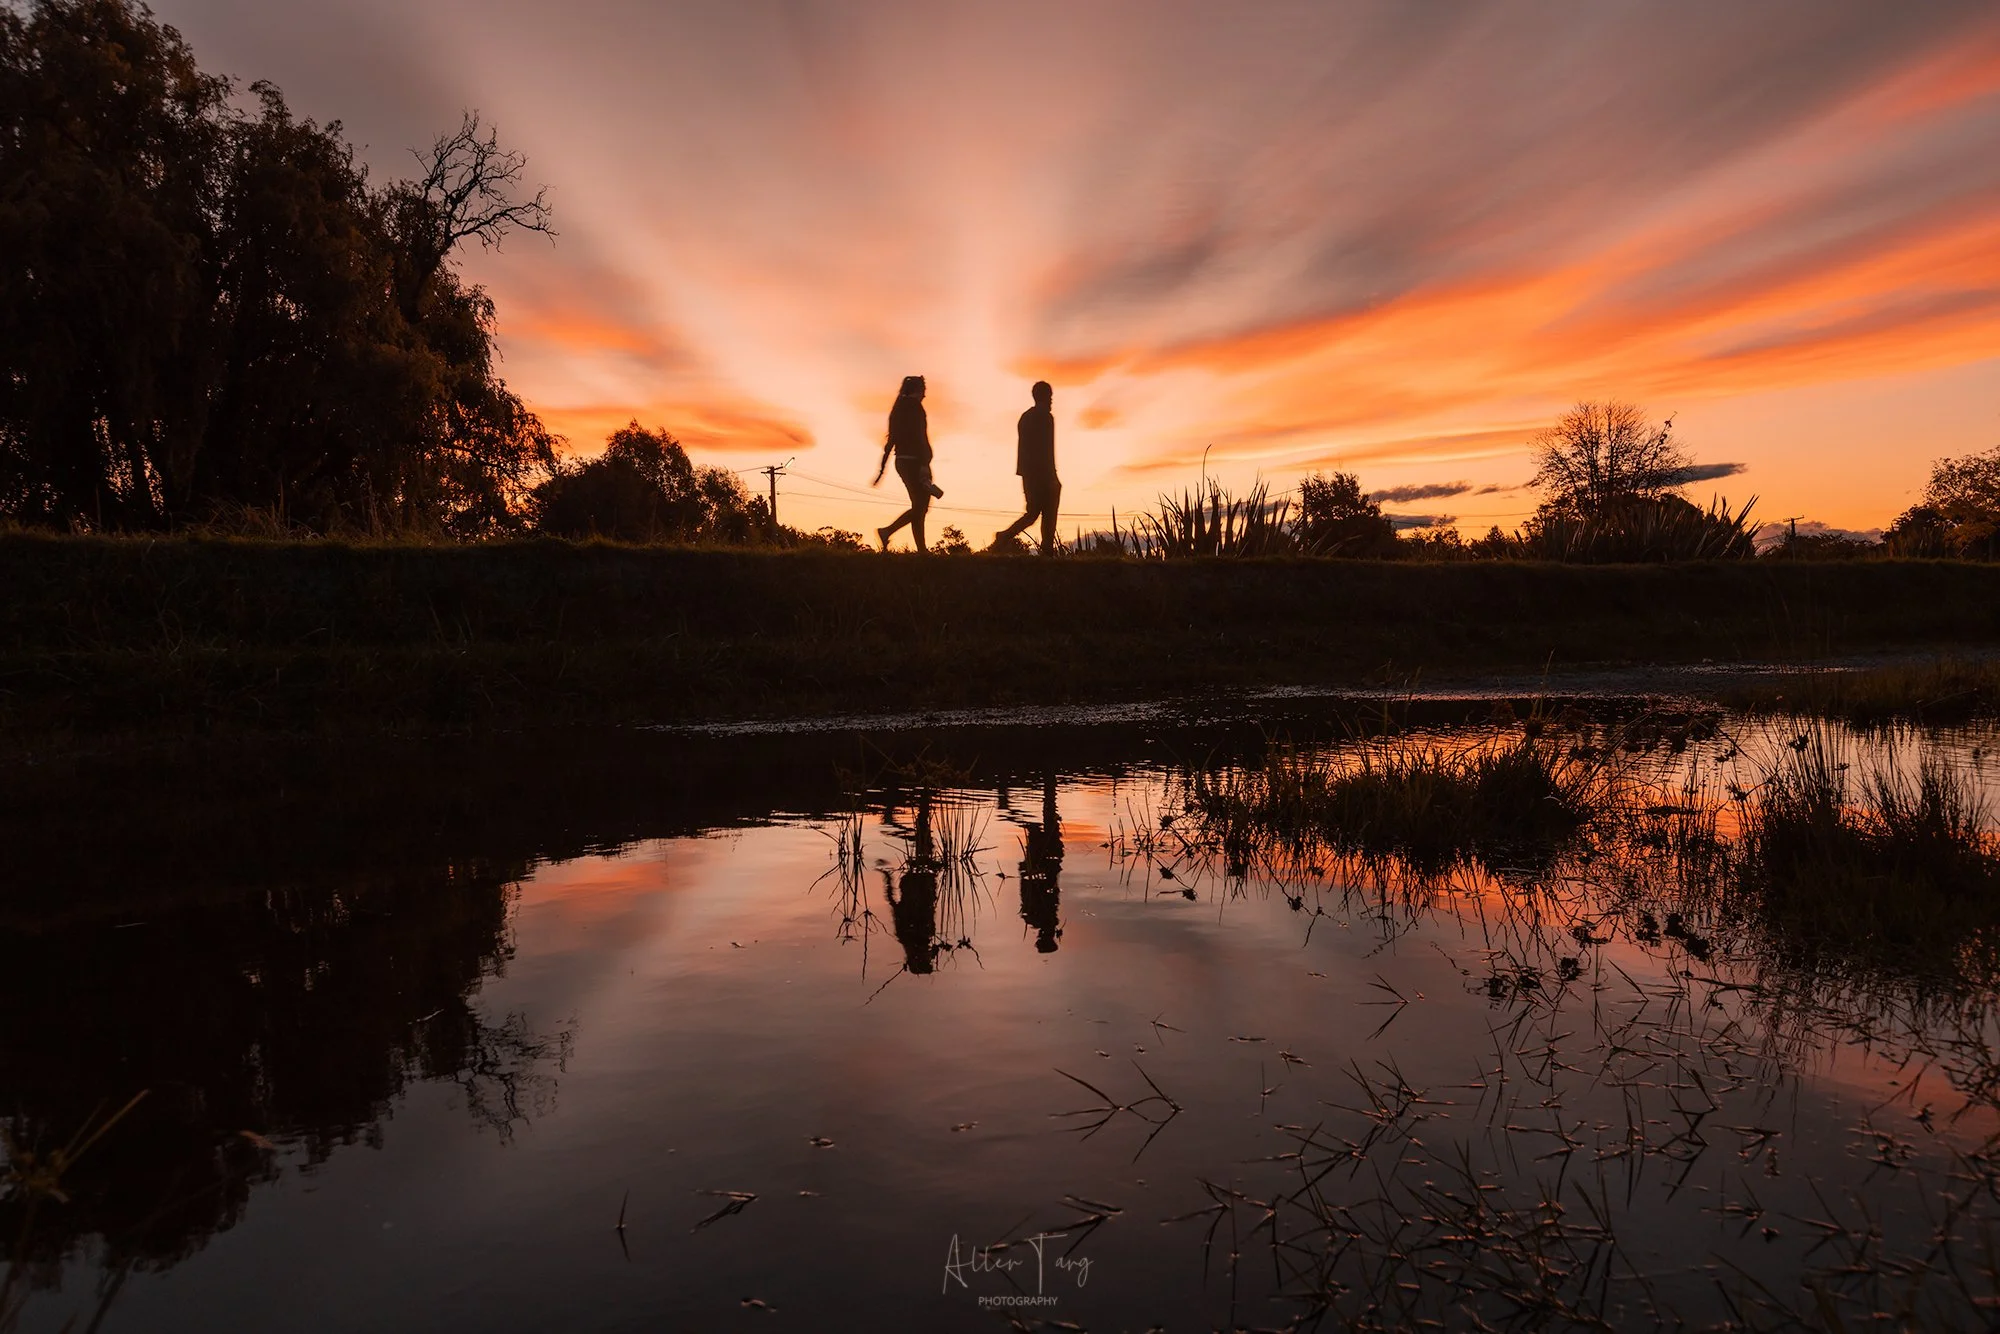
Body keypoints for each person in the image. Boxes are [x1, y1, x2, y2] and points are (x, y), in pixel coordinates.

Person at [872, 375, 942, 552]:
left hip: (902, 463)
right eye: (923, 391)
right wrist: (924, 464)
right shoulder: (915, 408)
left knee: (918, 506)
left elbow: (890, 442)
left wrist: (881, 470)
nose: (925, 395)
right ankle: (887, 531)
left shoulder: (897, 409)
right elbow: (921, 437)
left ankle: (922, 550)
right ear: (917, 390)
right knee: (920, 507)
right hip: (916, 462)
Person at [993, 380, 1059, 555]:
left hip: (1028, 474)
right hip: (1042, 474)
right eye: (1050, 397)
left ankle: (1004, 536)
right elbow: (1047, 449)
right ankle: (1046, 550)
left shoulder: (1025, 417)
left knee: (1032, 513)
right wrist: (1052, 477)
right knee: (1048, 513)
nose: (1052, 401)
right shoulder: (1046, 417)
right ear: (1045, 397)